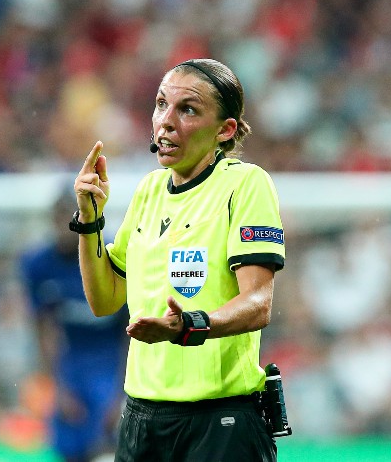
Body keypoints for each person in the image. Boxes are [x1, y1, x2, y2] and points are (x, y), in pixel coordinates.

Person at [71, 59, 284, 462]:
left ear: (225, 130)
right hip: (142, 420)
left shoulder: (245, 184)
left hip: (219, 421)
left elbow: (258, 303)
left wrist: (189, 326)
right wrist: (89, 219)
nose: (165, 121)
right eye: (160, 104)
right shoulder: (149, 191)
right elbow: (105, 299)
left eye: (187, 109)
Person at [20, 189, 129, 462]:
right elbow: (42, 327)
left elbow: (130, 331)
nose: (65, 228)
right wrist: (57, 385)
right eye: (58, 220)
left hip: (109, 360)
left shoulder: (114, 255)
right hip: (70, 361)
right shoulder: (38, 264)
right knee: (69, 444)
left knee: (108, 444)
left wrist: (121, 392)